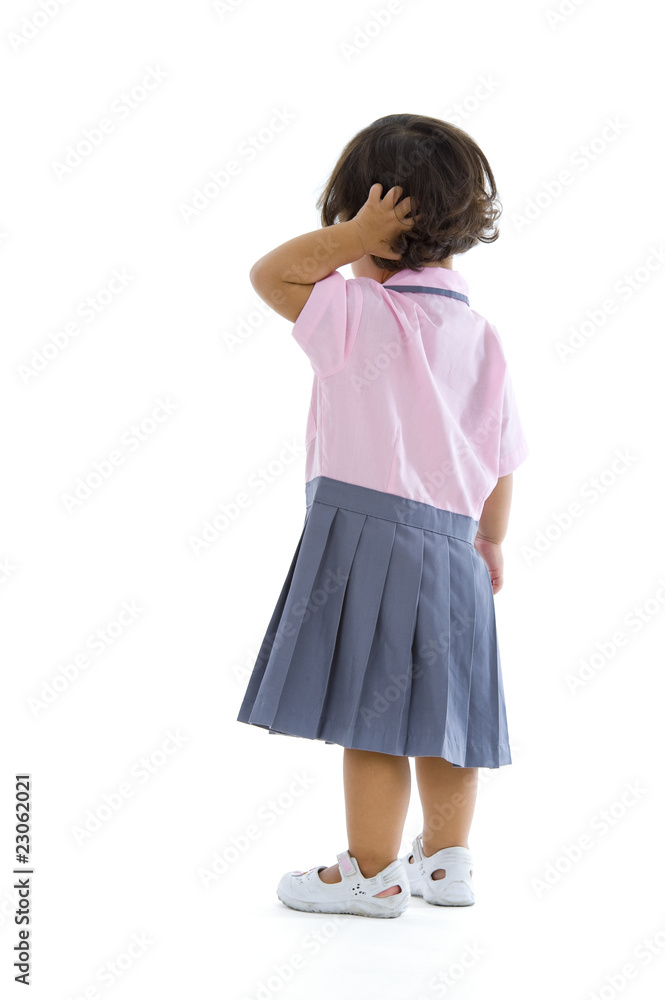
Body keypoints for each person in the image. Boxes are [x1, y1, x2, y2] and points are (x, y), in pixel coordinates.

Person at [236, 114, 530, 918]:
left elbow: (271, 275)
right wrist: (491, 538)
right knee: (446, 720)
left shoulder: (357, 315)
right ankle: (445, 861)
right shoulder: (481, 335)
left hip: (370, 540)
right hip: (456, 549)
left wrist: (351, 237)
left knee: (373, 719)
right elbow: (500, 454)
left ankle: (370, 873)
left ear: (362, 213)